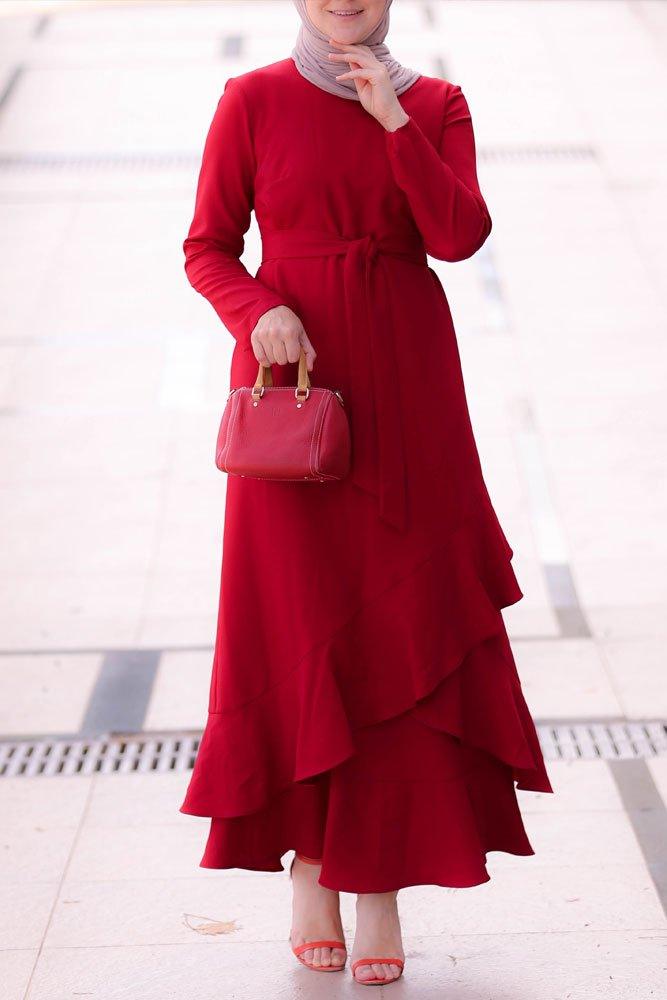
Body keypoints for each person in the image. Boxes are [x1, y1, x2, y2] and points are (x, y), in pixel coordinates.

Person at [179, 0, 553, 987]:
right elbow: (207, 246)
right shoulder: (251, 101)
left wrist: (393, 119)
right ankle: (309, 865)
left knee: (403, 633)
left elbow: (458, 234)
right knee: (304, 622)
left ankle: (377, 879)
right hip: (293, 399)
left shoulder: (436, 102)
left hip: (410, 392)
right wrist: (259, 309)